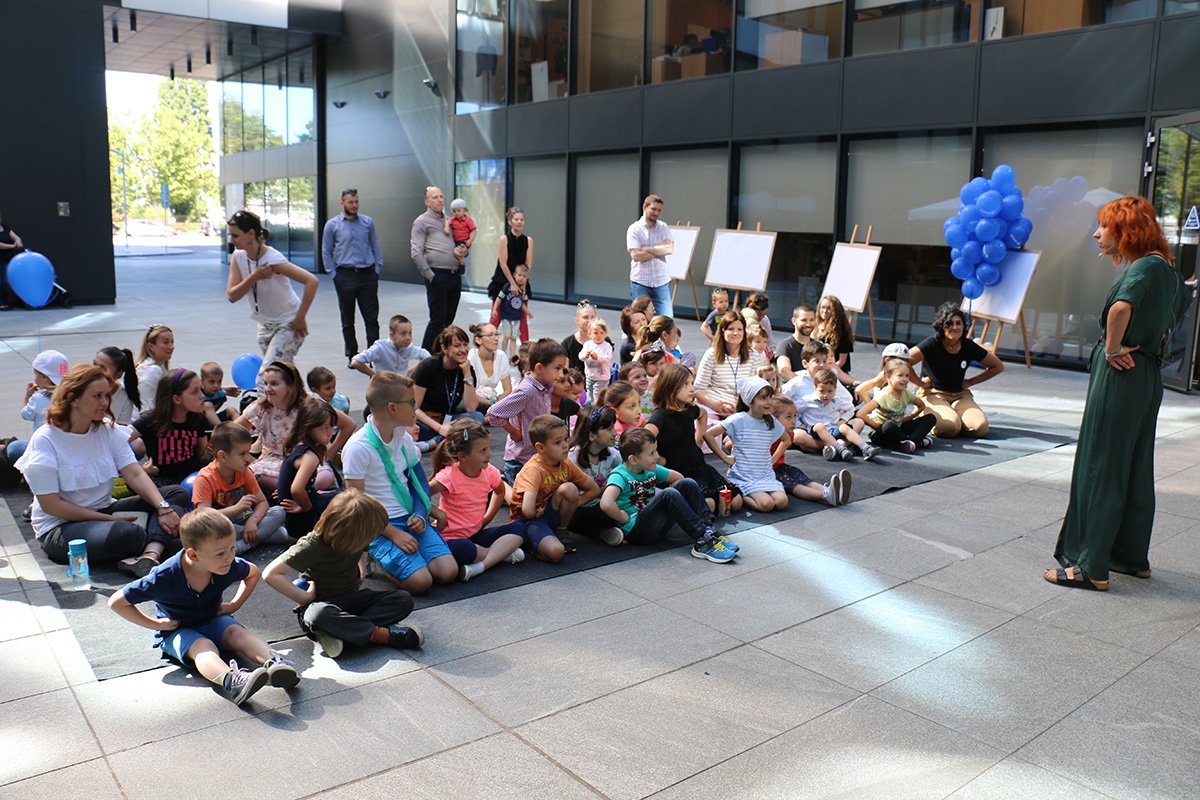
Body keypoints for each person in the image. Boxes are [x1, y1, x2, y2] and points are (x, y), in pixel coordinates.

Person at [1045, 196, 1192, 591]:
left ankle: (1090, 566)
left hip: (1120, 374)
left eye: (1104, 226)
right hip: (1146, 375)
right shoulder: (1166, 268)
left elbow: (1119, 309)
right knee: (1134, 466)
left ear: (1126, 230)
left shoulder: (1142, 269)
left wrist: (1111, 349)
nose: (1097, 234)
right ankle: (1130, 557)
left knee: (1101, 465)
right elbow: (1179, 308)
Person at [108, 507, 299, 706]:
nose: (229, 557)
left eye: (232, 548)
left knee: (237, 633)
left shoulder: (226, 565)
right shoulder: (163, 577)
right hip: (177, 630)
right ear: (193, 555)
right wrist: (155, 624)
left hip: (212, 618)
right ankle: (232, 681)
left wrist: (234, 604)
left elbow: (252, 573)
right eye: (221, 553)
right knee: (203, 647)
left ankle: (275, 662)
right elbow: (117, 602)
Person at [15, 365, 188, 574]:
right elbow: (52, 506)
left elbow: (134, 473)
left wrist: (163, 508)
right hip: (61, 526)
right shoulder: (45, 439)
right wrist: (109, 519)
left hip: (105, 509)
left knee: (174, 494)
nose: (105, 402)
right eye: (97, 396)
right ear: (73, 398)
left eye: (107, 395)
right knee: (127, 534)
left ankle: (150, 554)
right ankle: (158, 538)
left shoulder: (106, 429)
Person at [263, 489, 423, 658]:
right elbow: (270, 574)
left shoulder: (358, 536)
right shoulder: (313, 545)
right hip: (321, 604)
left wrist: (361, 569)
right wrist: (304, 598)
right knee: (319, 616)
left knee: (403, 600)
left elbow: (364, 548)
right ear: (350, 532)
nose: (372, 538)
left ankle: (343, 631)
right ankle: (381, 635)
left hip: (352, 600)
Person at [343, 371, 456, 594]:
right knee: (421, 582)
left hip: (409, 517)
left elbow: (419, 483)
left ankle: (408, 558)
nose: (416, 406)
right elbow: (357, 505)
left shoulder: (403, 437)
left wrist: (421, 514)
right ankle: (376, 554)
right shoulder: (358, 448)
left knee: (447, 572)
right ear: (392, 408)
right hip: (378, 526)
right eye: (412, 402)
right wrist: (393, 534)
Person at [600, 428, 735, 562]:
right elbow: (606, 503)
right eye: (651, 453)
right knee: (668, 494)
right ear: (634, 460)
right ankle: (703, 541)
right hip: (637, 531)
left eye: (656, 450)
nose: (657, 456)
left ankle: (708, 531)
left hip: (653, 523)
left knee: (688, 483)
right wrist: (622, 517)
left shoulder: (649, 469)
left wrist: (675, 504)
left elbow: (678, 478)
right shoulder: (619, 476)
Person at [226, 210, 319, 389]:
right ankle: (301, 403)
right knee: (285, 375)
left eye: (235, 236)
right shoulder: (238, 256)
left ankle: (262, 407)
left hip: (287, 323)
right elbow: (232, 295)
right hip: (265, 324)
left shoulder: (272, 259)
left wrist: (300, 318)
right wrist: (254, 276)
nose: (232, 240)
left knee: (266, 378)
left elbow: (311, 281)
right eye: (231, 236)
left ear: (250, 234)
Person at [430, 419, 528, 582]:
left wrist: (487, 518)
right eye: (483, 450)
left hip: (476, 534)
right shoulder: (448, 476)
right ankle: (500, 554)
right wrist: (437, 514)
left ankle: (480, 565)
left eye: (488, 448)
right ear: (463, 456)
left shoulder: (489, 471)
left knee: (519, 528)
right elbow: (420, 494)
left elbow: (500, 491)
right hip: (451, 539)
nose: (489, 454)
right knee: (464, 549)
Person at [645, 364, 743, 515]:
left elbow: (703, 414)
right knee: (709, 505)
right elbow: (644, 438)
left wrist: (699, 439)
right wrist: (657, 458)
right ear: (670, 386)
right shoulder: (661, 415)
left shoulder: (689, 410)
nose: (692, 388)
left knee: (735, 501)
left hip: (697, 466)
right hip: (677, 470)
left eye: (691, 383)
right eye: (685, 384)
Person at [510, 414, 601, 563]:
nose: (565, 445)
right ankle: (526, 542)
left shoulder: (565, 463)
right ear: (540, 448)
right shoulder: (534, 470)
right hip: (529, 521)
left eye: (566, 439)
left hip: (547, 513)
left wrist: (572, 505)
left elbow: (594, 490)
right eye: (558, 442)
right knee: (556, 553)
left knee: (569, 488)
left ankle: (561, 529)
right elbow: (528, 511)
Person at [909, 302, 1005, 438]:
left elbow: (997, 366)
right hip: (933, 393)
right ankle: (934, 417)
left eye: (958, 323)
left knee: (980, 428)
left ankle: (954, 416)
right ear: (941, 326)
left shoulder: (968, 345)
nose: (954, 327)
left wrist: (971, 382)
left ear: (963, 326)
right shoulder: (932, 344)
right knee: (949, 428)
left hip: (960, 395)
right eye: (949, 323)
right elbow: (903, 361)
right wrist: (920, 383)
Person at [193, 422, 290, 554]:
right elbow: (204, 516)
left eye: (248, 452)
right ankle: (265, 534)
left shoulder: (244, 471)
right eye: (242, 454)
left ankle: (240, 546)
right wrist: (235, 509)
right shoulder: (205, 478)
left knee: (279, 511)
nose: (249, 459)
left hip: (245, 519)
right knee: (206, 527)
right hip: (223, 523)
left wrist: (253, 522)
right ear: (223, 456)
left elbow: (263, 502)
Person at [487, 338, 568, 485]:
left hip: (537, 455)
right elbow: (494, 413)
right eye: (557, 368)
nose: (561, 374)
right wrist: (514, 432)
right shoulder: (527, 391)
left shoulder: (545, 386)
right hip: (521, 460)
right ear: (539, 368)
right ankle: (501, 484)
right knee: (523, 495)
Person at [704, 377, 789, 512]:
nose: (768, 402)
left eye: (770, 397)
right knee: (766, 504)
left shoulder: (770, 421)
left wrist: (773, 459)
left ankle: (751, 495)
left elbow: (786, 440)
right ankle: (742, 495)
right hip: (744, 476)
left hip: (765, 474)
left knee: (782, 502)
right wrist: (725, 457)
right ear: (750, 401)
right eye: (763, 398)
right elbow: (708, 434)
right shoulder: (738, 419)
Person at [321, 188, 382, 364]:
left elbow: (375, 245)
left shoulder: (367, 222)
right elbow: (326, 250)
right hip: (345, 275)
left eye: (356, 202)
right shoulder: (332, 225)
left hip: (367, 275)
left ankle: (373, 355)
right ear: (342, 203)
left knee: (371, 318)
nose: (354, 205)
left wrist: (377, 268)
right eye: (350, 202)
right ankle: (352, 355)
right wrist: (333, 274)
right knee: (348, 319)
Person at [411, 186, 468, 351]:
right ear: (427, 202)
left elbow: (460, 243)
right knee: (437, 319)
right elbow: (416, 252)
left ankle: (441, 354)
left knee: (448, 320)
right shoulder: (421, 222)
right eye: (435, 197)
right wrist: (429, 275)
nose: (440, 199)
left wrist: (464, 251)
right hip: (437, 275)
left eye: (441, 196)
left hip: (454, 275)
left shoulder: (451, 220)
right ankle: (425, 357)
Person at [132, 368, 211, 486]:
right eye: (195, 392)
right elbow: (117, 440)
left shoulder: (199, 419)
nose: (202, 396)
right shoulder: (153, 420)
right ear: (176, 399)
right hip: (162, 481)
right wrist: (141, 470)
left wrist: (211, 453)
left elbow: (201, 456)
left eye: (201, 389)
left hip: (190, 479)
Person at [277, 400, 343, 538]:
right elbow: (296, 489)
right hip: (303, 521)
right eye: (324, 428)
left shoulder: (297, 444)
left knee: (340, 494)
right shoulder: (310, 457)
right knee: (349, 501)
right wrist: (305, 507)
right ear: (308, 427)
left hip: (295, 516)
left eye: (332, 426)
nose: (330, 432)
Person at [411, 325, 483, 448]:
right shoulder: (429, 366)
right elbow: (413, 407)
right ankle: (449, 437)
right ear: (444, 349)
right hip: (424, 421)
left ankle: (435, 441)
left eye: (465, 344)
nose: (463, 350)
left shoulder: (467, 369)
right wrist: (439, 428)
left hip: (448, 422)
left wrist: (467, 374)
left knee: (477, 417)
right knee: (411, 428)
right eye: (457, 346)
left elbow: (471, 408)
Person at [772, 396, 850, 506]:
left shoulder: (789, 434)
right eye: (788, 417)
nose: (793, 421)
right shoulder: (770, 435)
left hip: (781, 466)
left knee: (803, 478)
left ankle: (831, 490)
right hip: (770, 471)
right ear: (774, 419)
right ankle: (825, 495)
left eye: (795, 416)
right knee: (793, 485)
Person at [567, 405, 626, 546]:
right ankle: (599, 531)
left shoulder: (612, 454)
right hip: (577, 508)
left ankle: (603, 531)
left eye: (614, 427)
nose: (615, 432)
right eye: (609, 429)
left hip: (599, 504)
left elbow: (626, 473)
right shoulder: (572, 457)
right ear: (592, 435)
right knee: (598, 514)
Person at [693, 311, 765, 417]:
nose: (735, 333)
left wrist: (741, 409)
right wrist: (713, 405)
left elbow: (754, 389)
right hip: (713, 407)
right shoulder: (711, 354)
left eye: (739, 329)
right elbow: (698, 389)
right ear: (723, 331)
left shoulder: (753, 355)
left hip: (741, 410)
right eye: (731, 329)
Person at [799, 368, 879, 461]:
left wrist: (843, 419)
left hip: (832, 430)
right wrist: (800, 424)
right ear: (815, 388)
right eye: (822, 391)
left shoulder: (837, 401)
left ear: (835, 389)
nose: (825, 395)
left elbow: (851, 409)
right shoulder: (806, 401)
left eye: (829, 391)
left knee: (845, 427)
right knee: (819, 426)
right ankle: (840, 448)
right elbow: (795, 412)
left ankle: (865, 448)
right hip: (816, 433)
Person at [857, 360, 936, 453]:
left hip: (898, 427)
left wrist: (908, 418)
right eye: (900, 375)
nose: (905, 379)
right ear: (888, 377)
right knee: (889, 425)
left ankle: (910, 441)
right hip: (882, 433)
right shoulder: (883, 396)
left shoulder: (906, 393)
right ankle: (908, 442)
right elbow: (861, 414)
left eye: (907, 376)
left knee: (931, 418)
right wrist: (878, 427)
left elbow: (921, 405)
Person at [487, 207, 535, 342]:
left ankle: (526, 349)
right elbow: (503, 264)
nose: (519, 222)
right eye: (516, 219)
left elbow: (528, 264)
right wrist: (512, 284)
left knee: (522, 320)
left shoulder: (528, 241)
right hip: (502, 281)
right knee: (495, 318)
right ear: (510, 222)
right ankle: (485, 345)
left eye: (522, 220)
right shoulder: (504, 239)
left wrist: (522, 284)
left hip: (521, 282)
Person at [626, 193, 675, 318]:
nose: (656, 213)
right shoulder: (634, 229)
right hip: (641, 282)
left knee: (666, 320)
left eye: (659, 210)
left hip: (661, 281)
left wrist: (647, 248)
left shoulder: (663, 227)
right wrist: (659, 249)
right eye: (653, 209)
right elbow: (636, 256)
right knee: (640, 320)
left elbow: (670, 249)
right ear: (644, 207)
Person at [351, 314, 429, 379]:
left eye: (410, 333)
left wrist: (411, 371)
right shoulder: (380, 348)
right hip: (383, 386)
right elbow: (355, 362)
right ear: (392, 335)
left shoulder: (409, 348)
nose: (408, 337)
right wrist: (374, 375)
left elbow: (427, 356)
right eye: (403, 334)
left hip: (401, 385)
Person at [94, 346, 143, 427]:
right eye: (94, 364)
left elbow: (120, 430)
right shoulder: (83, 388)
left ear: (119, 374)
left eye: (103, 368)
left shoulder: (125, 398)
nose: (95, 370)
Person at [493, 263, 532, 361]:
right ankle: (502, 354)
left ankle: (511, 357)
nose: (521, 278)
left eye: (524, 276)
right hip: (506, 316)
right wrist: (494, 309)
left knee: (514, 338)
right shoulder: (507, 286)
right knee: (507, 335)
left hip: (516, 318)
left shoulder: (523, 290)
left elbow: (522, 304)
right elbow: (499, 298)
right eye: (519, 275)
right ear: (514, 275)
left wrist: (528, 312)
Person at [467, 322, 512, 407]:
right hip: (473, 401)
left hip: (492, 400)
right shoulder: (471, 358)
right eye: (490, 335)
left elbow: (508, 389)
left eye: (496, 334)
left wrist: (497, 403)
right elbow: (469, 394)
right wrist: (492, 404)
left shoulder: (501, 356)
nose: (496, 338)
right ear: (478, 340)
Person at [814, 294, 855, 379]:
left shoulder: (842, 331)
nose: (825, 311)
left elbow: (842, 361)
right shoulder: (816, 326)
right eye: (822, 307)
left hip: (835, 372)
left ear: (836, 311)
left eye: (829, 308)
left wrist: (828, 372)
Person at [136, 324, 174, 413]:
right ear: (151, 346)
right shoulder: (152, 370)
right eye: (165, 342)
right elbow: (146, 409)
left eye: (172, 342)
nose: (171, 347)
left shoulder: (155, 367)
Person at [562, 300, 607, 373]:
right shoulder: (567, 343)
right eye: (585, 317)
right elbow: (564, 371)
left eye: (593, 317)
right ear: (577, 321)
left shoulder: (604, 340)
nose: (590, 320)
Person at [776, 303, 816, 381]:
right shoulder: (785, 346)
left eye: (811, 320)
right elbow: (784, 372)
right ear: (794, 321)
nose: (808, 324)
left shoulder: (818, 346)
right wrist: (805, 385)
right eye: (804, 320)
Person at [580, 317, 614, 399]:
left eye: (602, 333)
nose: (599, 335)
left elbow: (607, 359)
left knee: (598, 396)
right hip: (590, 376)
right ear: (590, 334)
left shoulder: (607, 346)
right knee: (590, 394)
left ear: (605, 334)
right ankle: (592, 405)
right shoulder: (587, 344)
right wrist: (585, 355)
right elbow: (580, 356)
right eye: (595, 333)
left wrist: (597, 358)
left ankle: (597, 406)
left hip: (602, 377)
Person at [0, 210, 25, 310]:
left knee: (7, 281)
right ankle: (1, 304)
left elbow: (16, 237)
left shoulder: (5, 227)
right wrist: (13, 246)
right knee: (1, 281)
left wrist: (18, 241)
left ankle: (6, 303)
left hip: (9, 258)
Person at [444, 198, 477, 267]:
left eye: (459, 211)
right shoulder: (453, 219)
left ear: (465, 210)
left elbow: (473, 231)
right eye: (454, 211)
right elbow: (448, 222)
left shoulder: (468, 220)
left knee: (456, 252)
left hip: (464, 241)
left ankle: (461, 262)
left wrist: (470, 240)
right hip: (455, 241)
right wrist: (446, 227)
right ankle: (459, 264)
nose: (456, 213)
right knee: (454, 252)